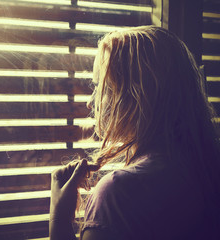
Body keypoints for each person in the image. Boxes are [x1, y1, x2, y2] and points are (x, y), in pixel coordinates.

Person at [49, 26, 220, 240]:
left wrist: (59, 220)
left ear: (137, 95)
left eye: (102, 87)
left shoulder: (117, 195)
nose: (90, 101)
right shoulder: (205, 168)